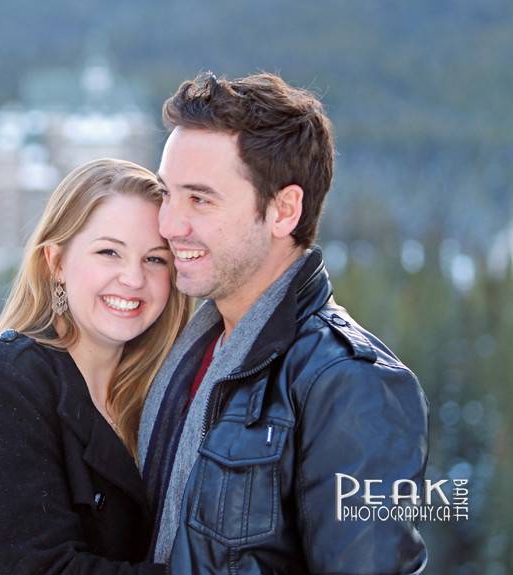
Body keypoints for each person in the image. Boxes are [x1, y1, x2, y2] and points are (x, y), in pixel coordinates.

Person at [138, 73, 429, 573]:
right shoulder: (179, 352)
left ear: (283, 210)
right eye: (168, 194)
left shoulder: (352, 386)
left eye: (200, 199)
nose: (168, 224)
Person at [0, 158, 191, 574]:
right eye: (109, 252)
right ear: (56, 262)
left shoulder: (162, 393)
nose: (133, 279)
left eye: (155, 259)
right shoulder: (6, 383)